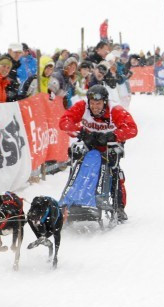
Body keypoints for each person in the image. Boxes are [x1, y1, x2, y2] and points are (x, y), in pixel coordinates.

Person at [58, 84, 138, 222]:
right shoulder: (82, 106)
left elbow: (132, 129)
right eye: (93, 103)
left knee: (115, 174)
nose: (95, 107)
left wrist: (113, 135)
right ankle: (73, 199)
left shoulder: (115, 110)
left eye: (99, 103)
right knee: (79, 168)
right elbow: (64, 121)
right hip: (90, 145)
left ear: (105, 102)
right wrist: (80, 130)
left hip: (110, 146)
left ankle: (119, 207)